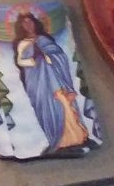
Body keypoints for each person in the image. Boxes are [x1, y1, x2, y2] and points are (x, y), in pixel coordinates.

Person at [12, 12, 89, 153]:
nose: (28, 25)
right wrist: (35, 60)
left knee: (63, 103)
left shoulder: (44, 39)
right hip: (37, 82)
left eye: (30, 22)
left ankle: (75, 137)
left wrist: (47, 56)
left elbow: (60, 56)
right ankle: (58, 140)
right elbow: (20, 61)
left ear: (35, 23)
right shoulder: (23, 43)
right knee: (47, 108)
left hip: (54, 79)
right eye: (24, 23)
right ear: (21, 26)